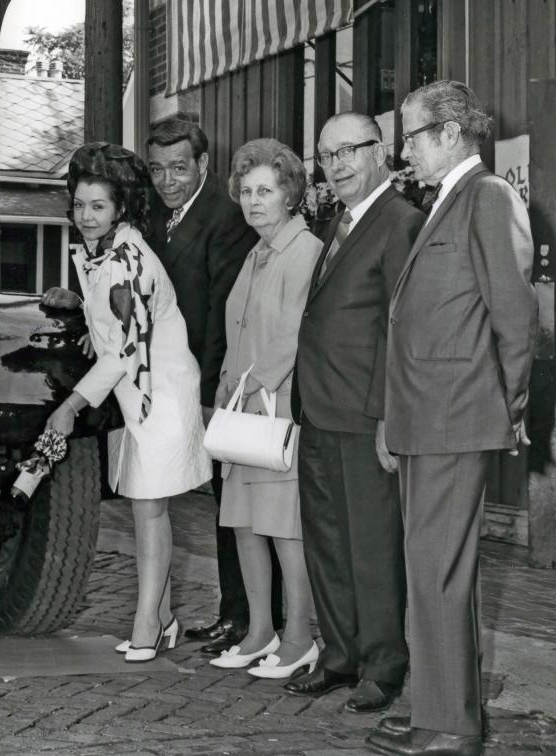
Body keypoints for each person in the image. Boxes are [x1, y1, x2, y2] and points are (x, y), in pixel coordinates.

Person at [43, 119, 262, 655]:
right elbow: (115, 330)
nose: (85, 215)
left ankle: (146, 626)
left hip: (161, 395)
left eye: (97, 206)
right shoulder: (111, 249)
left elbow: (124, 349)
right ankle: (161, 617)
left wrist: (70, 405)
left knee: (148, 508)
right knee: (146, 504)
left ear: (118, 208)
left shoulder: (127, 258)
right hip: (135, 397)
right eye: (79, 205)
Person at [367, 81, 537, 756]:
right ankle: (438, 711)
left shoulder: (487, 197)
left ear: (448, 132)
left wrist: (507, 407)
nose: (403, 150)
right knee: (434, 571)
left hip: (455, 418)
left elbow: (515, 317)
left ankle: (452, 728)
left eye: (409, 136)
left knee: (437, 571)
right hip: (428, 419)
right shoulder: (445, 203)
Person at [286, 113, 423, 712]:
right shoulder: (338, 222)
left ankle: (384, 665)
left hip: (364, 418)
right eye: (326, 155)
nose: (337, 165)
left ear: (381, 151)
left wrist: (388, 416)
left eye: (349, 151)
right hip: (318, 410)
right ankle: (340, 656)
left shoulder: (401, 223)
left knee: (371, 548)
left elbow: (401, 330)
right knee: (328, 545)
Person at [207, 138, 320, 680]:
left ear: (290, 194)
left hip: (275, 408)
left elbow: (300, 330)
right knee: (246, 524)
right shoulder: (255, 251)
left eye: (266, 190)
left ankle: (299, 637)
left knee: (282, 527)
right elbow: (239, 331)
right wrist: (229, 390)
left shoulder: (305, 250)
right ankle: (260, 630)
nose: (254, 201)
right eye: (247, 191)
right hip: (243, 408)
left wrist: (254, 389)